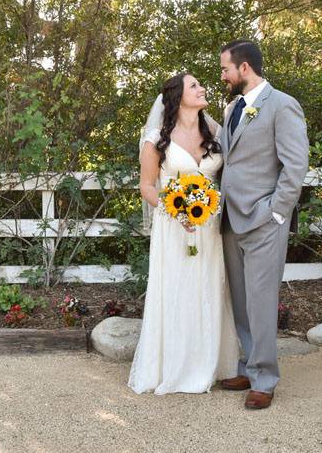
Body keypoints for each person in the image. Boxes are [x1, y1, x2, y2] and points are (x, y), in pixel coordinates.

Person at [128, 71, 239, 395]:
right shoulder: (157, 139)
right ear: (178, 97)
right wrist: (174, 211)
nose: (202, 88)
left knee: (208, 288)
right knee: (175, 289)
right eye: (194, 86)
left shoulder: (216, 131)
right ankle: (174, 367)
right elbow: (146, 186)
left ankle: (209, 364)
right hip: (173, 228)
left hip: (209, 228)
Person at [216, 40, 309, 410]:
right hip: (229, 219)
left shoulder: (282, 105)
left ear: (244, 68)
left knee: (261, 300)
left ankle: (266, 379)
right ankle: (250, 366)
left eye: (225, 69)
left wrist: (276, 212)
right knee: (241, 302)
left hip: (263, 220)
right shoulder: (232, 109)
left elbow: (295, 165)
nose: (222, 76)